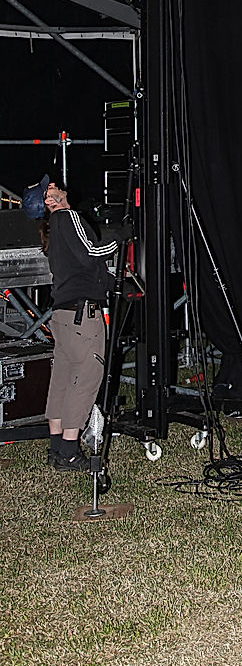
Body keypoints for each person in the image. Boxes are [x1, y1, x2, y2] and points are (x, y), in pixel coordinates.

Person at [39, 181, 119, 471]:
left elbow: (83, 269)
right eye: (48, 192)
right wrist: (120, 239)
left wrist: (114, 281)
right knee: (86, 376)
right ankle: (71, 449)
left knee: (62, 377)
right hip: (81, 316)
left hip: (63, 315)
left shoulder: (55, 231)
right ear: (51, 202)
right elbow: (91, 253)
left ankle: (58, 445)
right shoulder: (67, 216)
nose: (53, 187)